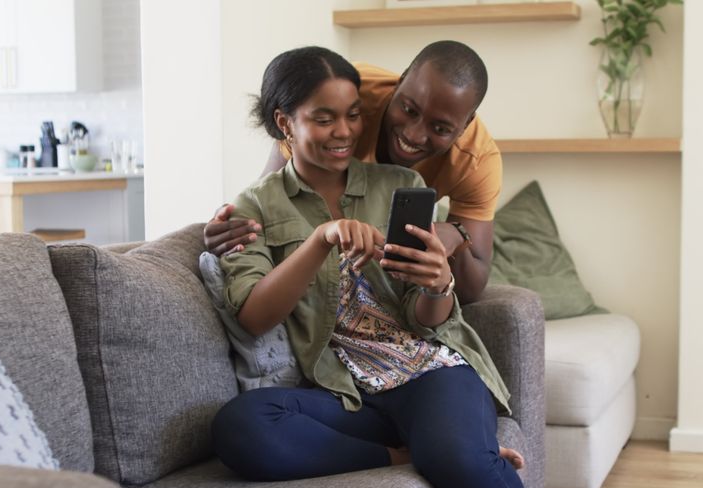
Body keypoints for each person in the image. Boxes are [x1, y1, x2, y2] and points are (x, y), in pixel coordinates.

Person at [210, 46, 545, 488]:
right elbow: (254, 317)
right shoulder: (253, 208)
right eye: (324, 118)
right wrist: (319, 240)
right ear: (285, 122)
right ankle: (410, 453)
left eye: (351, 116)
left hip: (426, 371)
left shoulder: (405, 188)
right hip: (344, 393)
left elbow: (428, 318)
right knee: (241, 427)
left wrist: (439, 285)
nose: (344, 131)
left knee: (454, 457)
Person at [204, 40, 500, 303]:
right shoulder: (346, 94)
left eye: (440, 128)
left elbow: (472, 288)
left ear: (467, 124)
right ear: (400, 81)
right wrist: (238, 222)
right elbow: (271, 199)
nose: (414, 134)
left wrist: (455, 240)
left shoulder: (476, 160)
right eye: (409, 110)